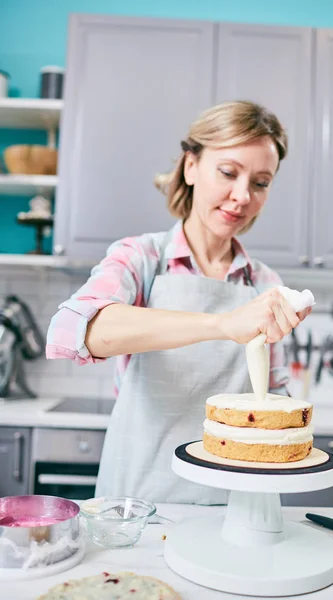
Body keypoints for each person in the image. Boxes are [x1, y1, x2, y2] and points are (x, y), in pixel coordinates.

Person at [46, 100, 312, 504]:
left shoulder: (265, 284)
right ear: (191, 166)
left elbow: (273, 393)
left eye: (260, 182)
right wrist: (223, 324)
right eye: (228, 172)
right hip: (138, 505)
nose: (242, 196)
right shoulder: (141, 259)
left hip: (236, 503)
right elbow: (77, 331)